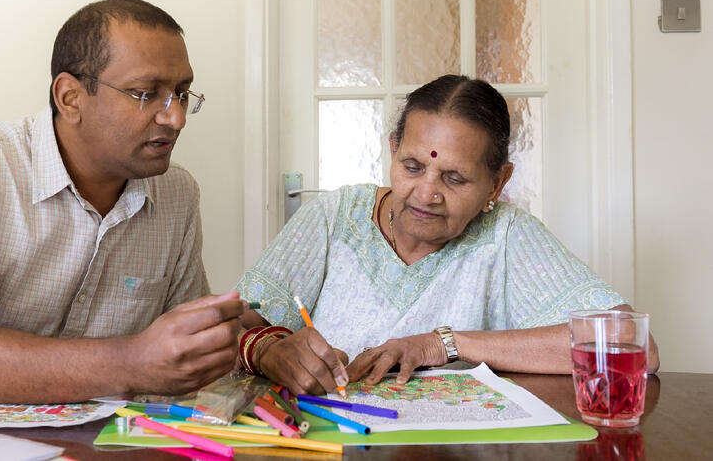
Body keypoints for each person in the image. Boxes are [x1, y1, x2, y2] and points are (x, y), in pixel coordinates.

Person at [0, 0, 246, 403]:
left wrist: (254, 346)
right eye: (146, 93)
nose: (176, 118)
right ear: (70, 98)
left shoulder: (178, 193)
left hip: (106, 431)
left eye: (181, 93)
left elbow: (189, 352)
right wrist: (132, 362)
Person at [236, 75, 659, 395]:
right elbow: (234, 326)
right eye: (412, 166)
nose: (426, 194)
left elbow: (633, 346)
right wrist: (266, 349)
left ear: (497, 183)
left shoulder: (506, 235)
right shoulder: (335, 217)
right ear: (393, 149)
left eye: (454, 178)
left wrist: (443, 345)